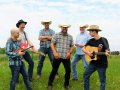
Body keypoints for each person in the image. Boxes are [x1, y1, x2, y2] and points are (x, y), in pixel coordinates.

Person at [82, 25, 110, 90]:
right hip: (93, 63)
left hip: (102, 64)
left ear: (94, 31)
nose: (89, 33)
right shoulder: (90, 41)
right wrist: (88, 52)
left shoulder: (103, 40)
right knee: (85, 75)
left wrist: (106, 52)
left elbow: (107, 50)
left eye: (90, 32)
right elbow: (83, 48)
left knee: (102, 81)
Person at [48, 24, 74, 90]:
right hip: (57, 56)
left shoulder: (70, 37)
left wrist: (69, 52)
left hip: (66, 57)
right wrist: (54, 52)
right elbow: (52, 44)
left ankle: (66, 85)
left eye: (66, 27)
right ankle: (50, 84)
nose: (64, 28)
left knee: (68, 71)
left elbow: (72, 46)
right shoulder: (56, 35)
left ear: (67, 28)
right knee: (54, 70)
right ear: (61, 28)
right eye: (63, 27)